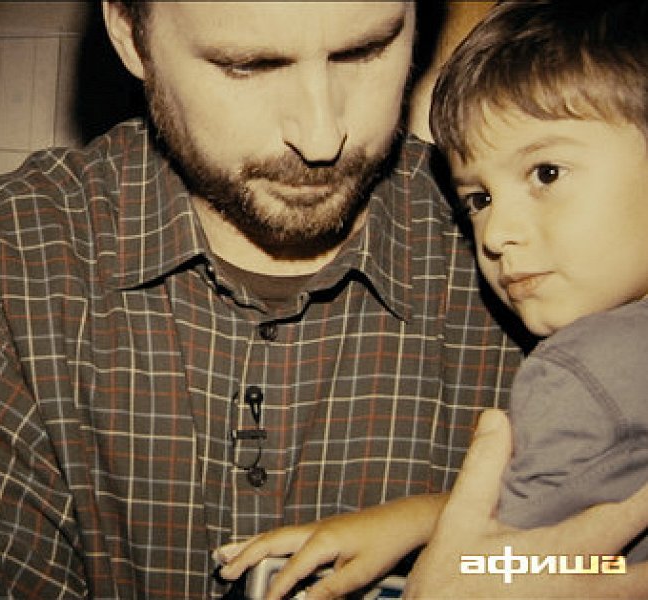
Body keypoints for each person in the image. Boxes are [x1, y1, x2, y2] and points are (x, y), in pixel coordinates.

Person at [0, 2, 531, 597]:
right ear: (130, 34)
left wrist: (522, 563)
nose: (321, 136)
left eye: (364, 50)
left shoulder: (549, 264)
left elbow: (588, 562)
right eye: (249, 65)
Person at [216, 1, 648, 597]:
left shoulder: (576, 372)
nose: (495, 235)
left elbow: (507, 570)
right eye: (479, 200)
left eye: (546, 173)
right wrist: (421, 517)